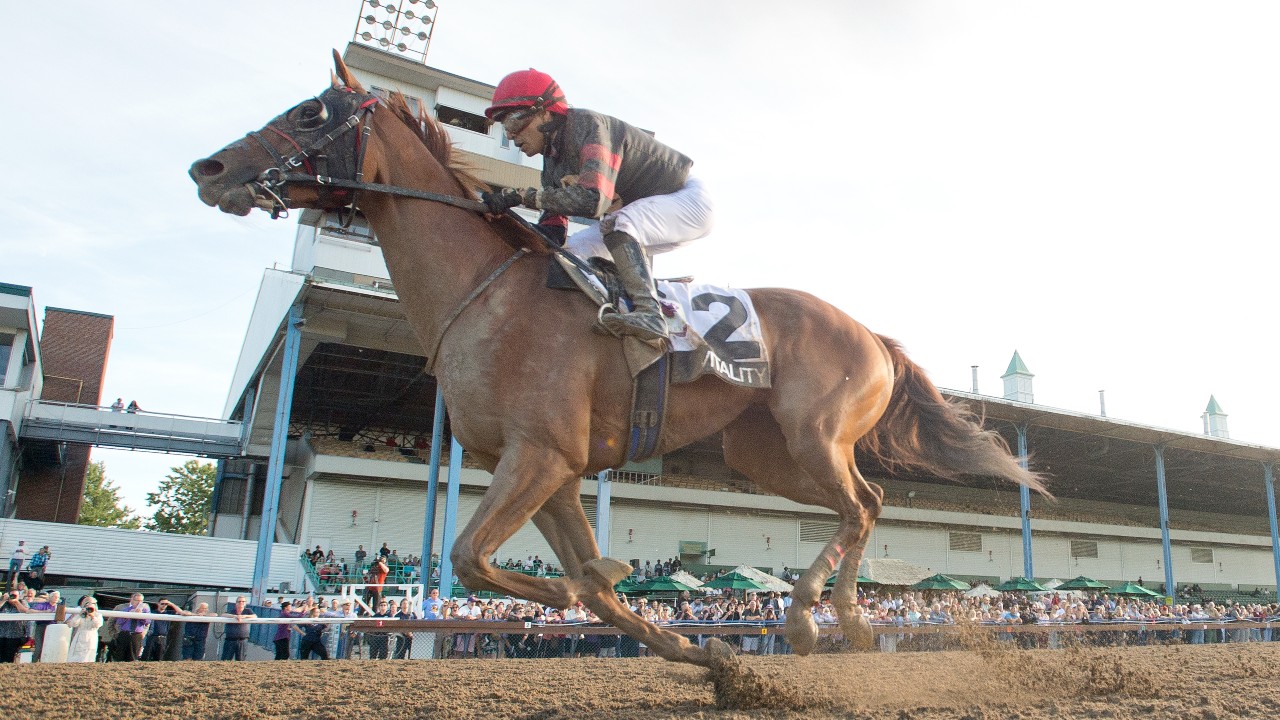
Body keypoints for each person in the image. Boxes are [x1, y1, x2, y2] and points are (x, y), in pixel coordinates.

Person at [481, 69, 713, 342]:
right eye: (504, 127)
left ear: (546, 113)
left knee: (619, 224)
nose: (510, 137)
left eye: (513, 123)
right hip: (648, 208)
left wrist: (521, 197)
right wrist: (505, 226)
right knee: (570, 254)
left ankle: (650, 314)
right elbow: (553, 234)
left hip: (687, 199)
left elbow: (593, 201)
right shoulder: (552, 164)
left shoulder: (588, 126)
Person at [113, 593, 150, 661]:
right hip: (125, 634)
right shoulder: (126, 609)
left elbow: (147, 622)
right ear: (132, 600)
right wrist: (129, 614)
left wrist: (141, 615)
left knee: (133, 656)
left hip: (136, 635)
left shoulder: (145, 611)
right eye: (137, 600)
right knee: (120, 655)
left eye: (141, 601)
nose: (139, 603)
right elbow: (119, 622)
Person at [65, 597, 104, 662]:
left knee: (88, 654)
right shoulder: (82, 615)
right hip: (80, 636)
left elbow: (98, 624)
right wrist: (79, 615)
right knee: (77, 653)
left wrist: (92, 616)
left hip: (91, 636)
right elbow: (73, 624)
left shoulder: (98, 615)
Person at [221, 596, 255, 660]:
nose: (241, 603)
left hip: (242, 640)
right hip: (230, 640)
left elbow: (254, 616)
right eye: (239, 601)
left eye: (243, 601)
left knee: (240, 660)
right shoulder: (232, 611)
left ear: (245, 603)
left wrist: (243, 616)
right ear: (236, 603)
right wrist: (235, 616)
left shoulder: (248, 611)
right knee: (225, 660)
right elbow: (223, 615)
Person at [0, 590, 31, 662]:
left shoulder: (22, 602)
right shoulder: (4, 603)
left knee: (9, 655)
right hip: (2, 634)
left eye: (15, 596)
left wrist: (16, 602)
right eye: (11, 595)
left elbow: (25, 611)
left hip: (15, 635)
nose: (12, 597)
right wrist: (4, 600)